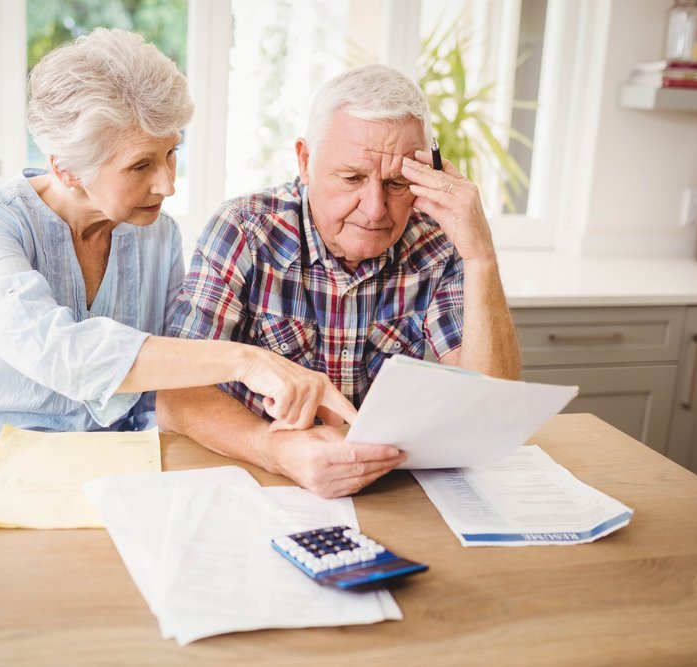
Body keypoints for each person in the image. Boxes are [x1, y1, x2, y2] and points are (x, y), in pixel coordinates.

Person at [0, 28, 355, 442]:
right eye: (141, 165)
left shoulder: (157, 235)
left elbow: (160, 386)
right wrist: (248, 361)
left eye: (171, 153)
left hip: (93, 467)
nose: (167, 184)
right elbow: (59, 352)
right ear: (66, 167)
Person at [157, 64, 521, 498]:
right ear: (306, 161)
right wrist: (276, 450)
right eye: (352, 178)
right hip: (254, 479)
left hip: (383, 489)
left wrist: (480, 255)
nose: (375, 209)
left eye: (397, 182)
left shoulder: (437, 242)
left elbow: (489, 402)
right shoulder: (244, 229)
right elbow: (175, 396)